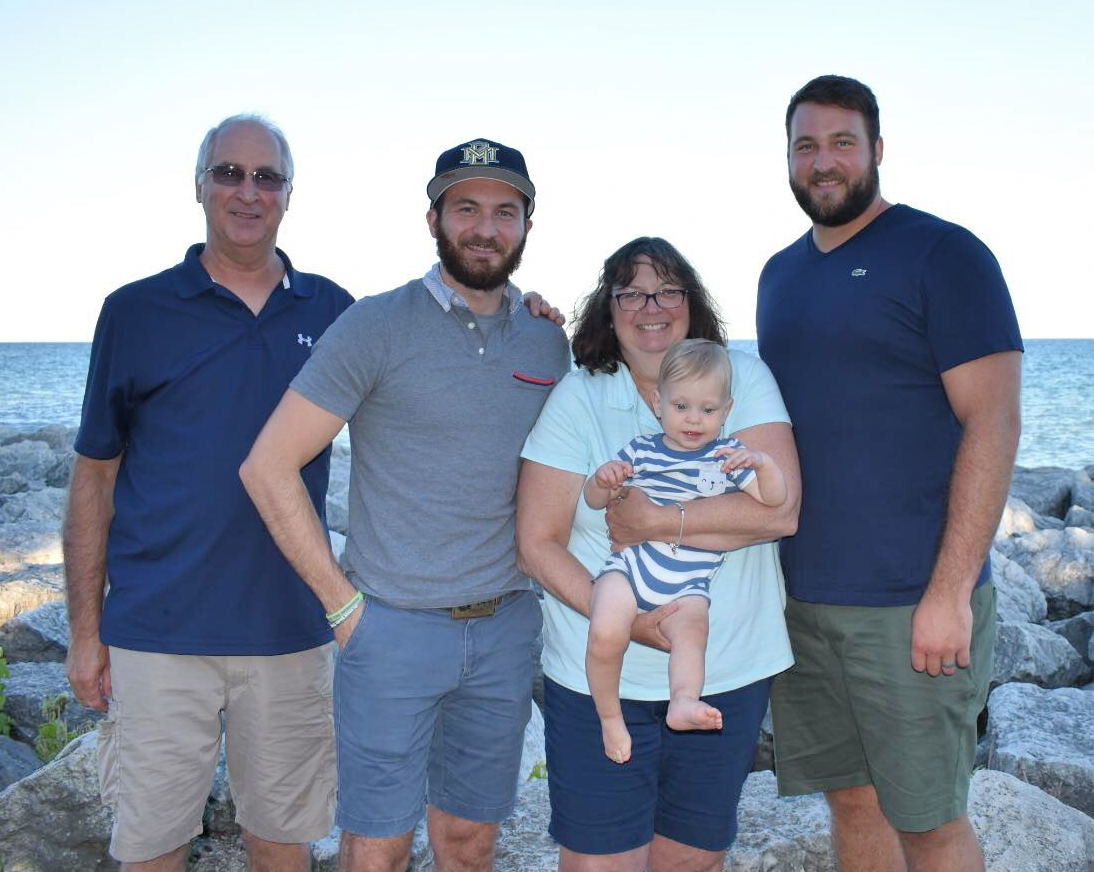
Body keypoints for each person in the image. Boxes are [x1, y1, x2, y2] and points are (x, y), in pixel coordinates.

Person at [239, 138, 570, 872]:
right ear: (433, 219)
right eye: (466, 209)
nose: (485, 228)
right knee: (377, 848)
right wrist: (342, 605)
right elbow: (267, 466)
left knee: (469, 842)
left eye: (504, 213)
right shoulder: (375, 325)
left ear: (525, 228)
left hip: (506, 630)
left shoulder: (549, 342)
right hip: (390, 632)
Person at [63, 114, 355, 871]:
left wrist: (516, 314)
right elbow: (94, 480)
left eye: (267, 177)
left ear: (289, 193)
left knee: (282, 845)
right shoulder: (135, 312)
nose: (247, 192)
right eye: (229, 173)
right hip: (159, 636)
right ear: (199, 185)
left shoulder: (333, 311)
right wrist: (86, 634)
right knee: (153, 848)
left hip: (291, 632)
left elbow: (421, 391)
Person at [757, 75, 1023, 872]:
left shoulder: (944, 254)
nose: (824, 162)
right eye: (807, 145)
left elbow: (995, 421)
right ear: (790, 158)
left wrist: (948, 592)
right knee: (852, 801)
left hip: (911, 606)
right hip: (802, 602)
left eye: (843, 142)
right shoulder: (778, 274)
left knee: (930, 820)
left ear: (877, 149)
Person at [517, 237, 800, 872]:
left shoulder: (741, 377)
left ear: (691, 302)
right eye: (632, 292)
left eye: (668, 289)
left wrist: (656, 521)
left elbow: (780, 511)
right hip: (598, 671)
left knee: (690, 861)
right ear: (608, 308)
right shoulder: (580, 396)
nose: (652, 306)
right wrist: (631, 623)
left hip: (724, 671)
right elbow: (537, 543)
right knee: (599, 863)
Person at [583, 338, 787, 764]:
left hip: (689, 583)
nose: (694, 419)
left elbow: (774, 502)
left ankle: (683, 701)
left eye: (708, 410)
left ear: (726, 411)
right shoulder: (640, 451)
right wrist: (603, 479)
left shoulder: (727, 458)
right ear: (658, 403)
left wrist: (764, 465)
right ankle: (608, 717)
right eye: (681, 407)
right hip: (631, 567)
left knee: (692, 636)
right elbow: (594, 501)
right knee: (605, 631)